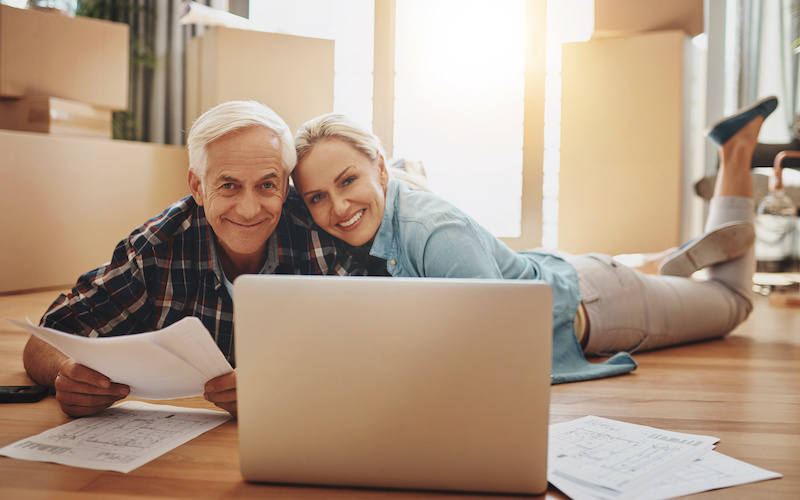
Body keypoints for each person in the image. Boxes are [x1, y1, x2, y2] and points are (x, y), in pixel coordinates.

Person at [291, 96, 777, 383]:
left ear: (378, 167)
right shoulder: (358, 217)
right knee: (659, 280)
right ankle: (663, 262)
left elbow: (498, 354)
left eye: (348, 181)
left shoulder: (436, 233)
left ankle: (736, 151)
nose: (336, 208)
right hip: (556, 270)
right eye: (316, 197)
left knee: (732, 299)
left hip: (600, 305)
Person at [23, 101, 357, 418]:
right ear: (197, 186)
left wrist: (286, 386)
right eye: (228, 185)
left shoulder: (319, 237)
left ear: (285, 187)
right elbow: (46, 336)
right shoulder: (156, 247)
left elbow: (363, 354)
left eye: (267, 185)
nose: (249, 208)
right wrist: (64, 373)